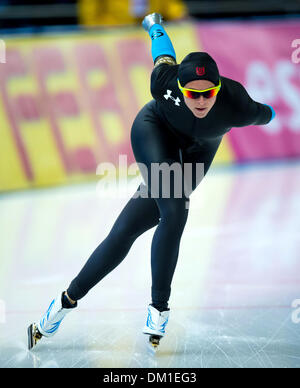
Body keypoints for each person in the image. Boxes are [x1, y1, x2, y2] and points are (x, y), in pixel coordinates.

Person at [27, 13, 276, 350]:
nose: (201, 101)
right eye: (192, 94)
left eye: (208, 94)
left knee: (127, 229)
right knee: (174, 211)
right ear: (181, 87)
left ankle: (62, 304)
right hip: (154, 132)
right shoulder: (164, 81)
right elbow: (162, 52)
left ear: (219, 88)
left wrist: (273, 113)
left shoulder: (239, 105)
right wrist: (153, 24)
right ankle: (159, 307)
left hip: (199, 151)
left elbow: (268, 113)